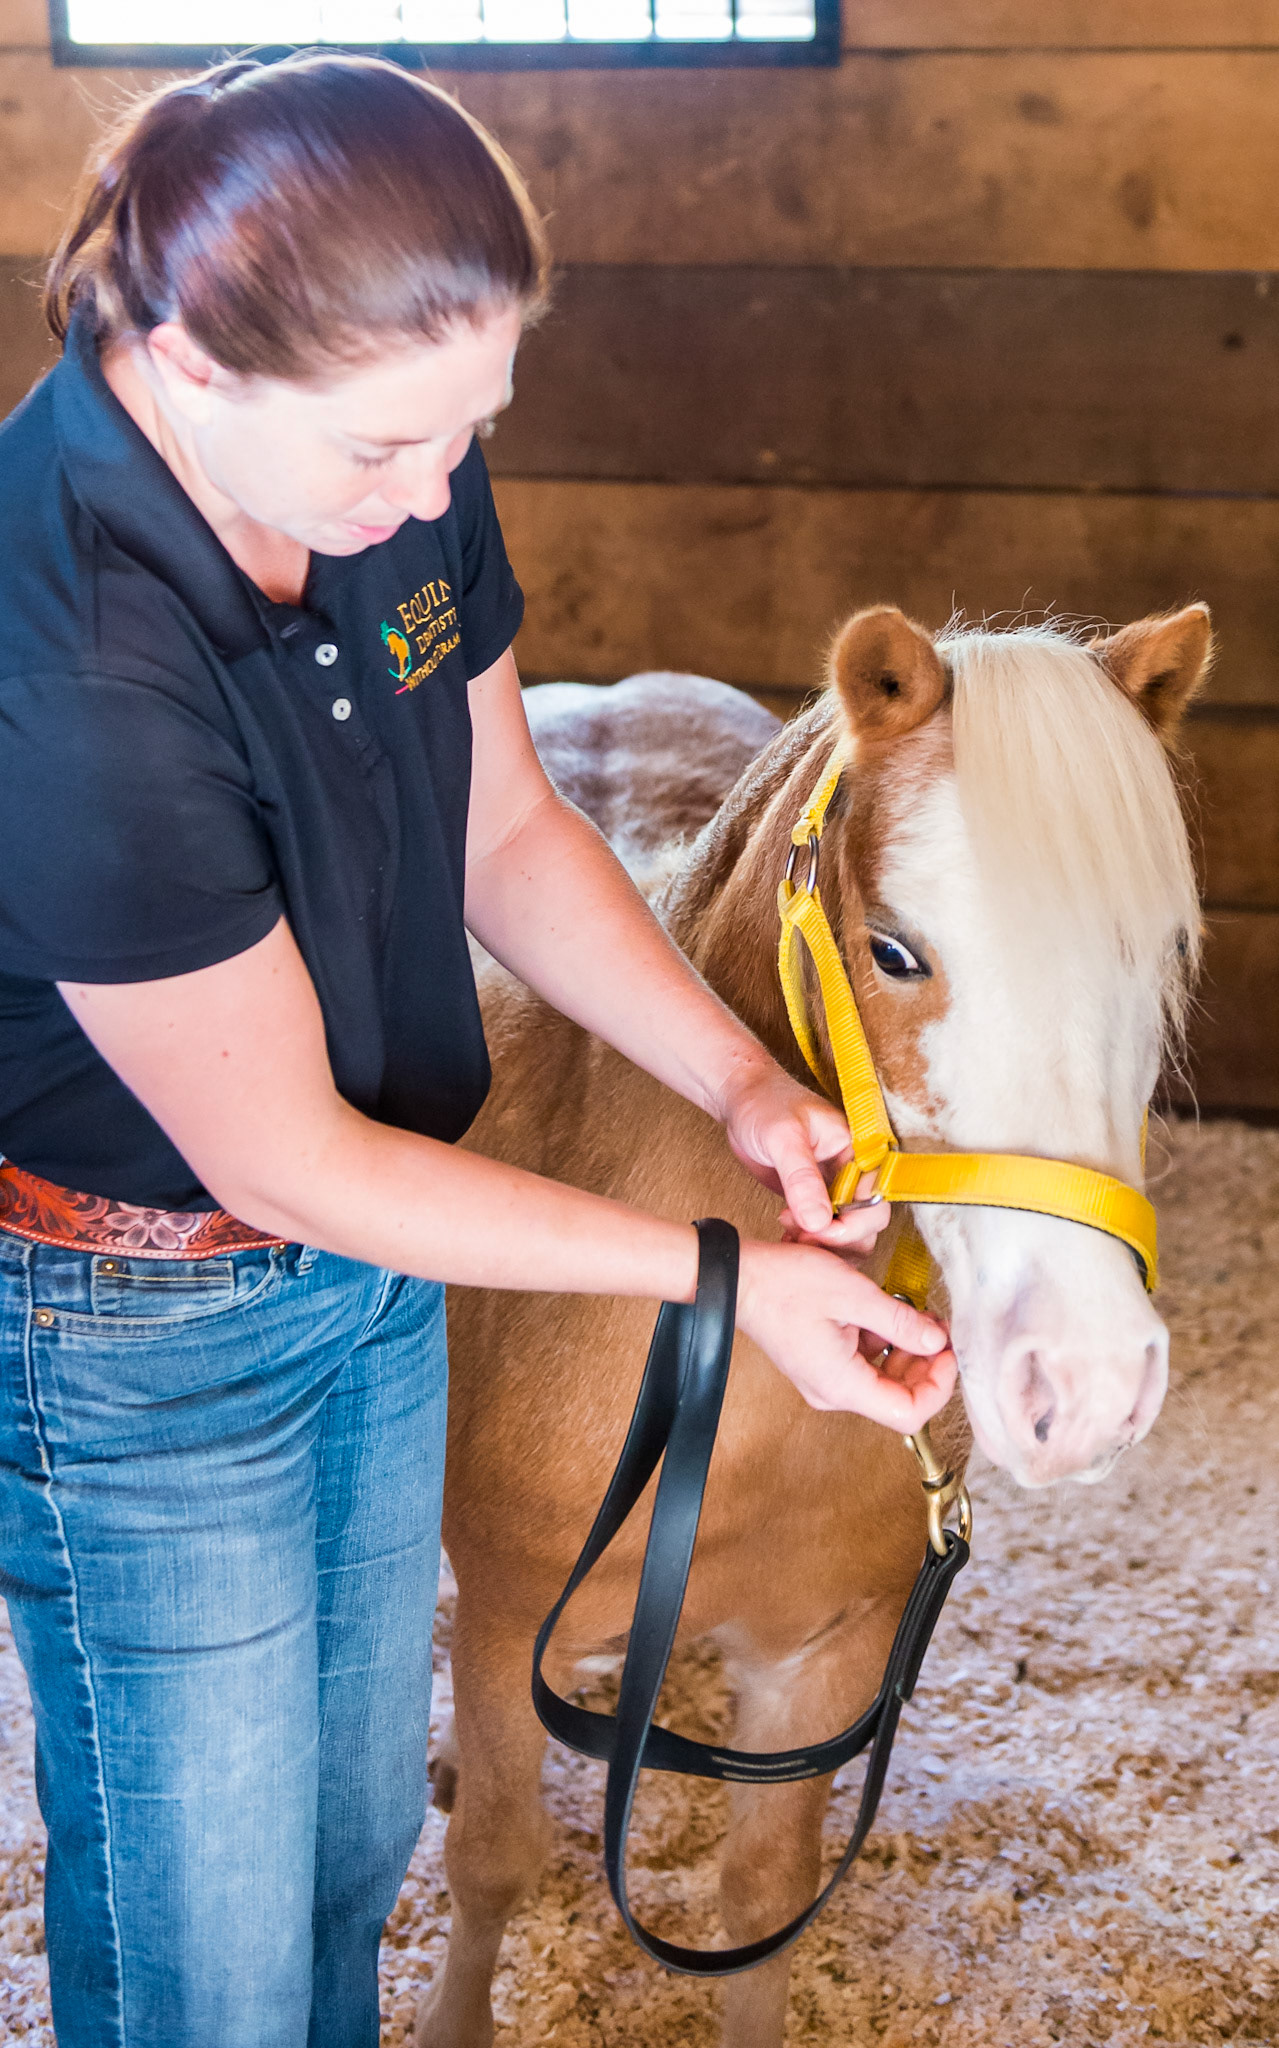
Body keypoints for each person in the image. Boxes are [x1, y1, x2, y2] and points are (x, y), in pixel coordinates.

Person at [0, 51, 956, 2048]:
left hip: (371, 1274)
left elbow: (504, 824)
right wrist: (725, 1274)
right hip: (143, 1323)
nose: (430, 498)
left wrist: (739, 1082)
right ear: (178, 355)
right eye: (384, 450)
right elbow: (284, 1161)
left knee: (348, 1848)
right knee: (209, 1947)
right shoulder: (69, 651)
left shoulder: (380, 446)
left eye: (472, 428)